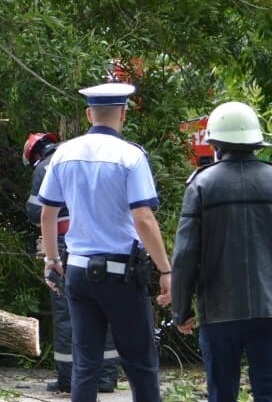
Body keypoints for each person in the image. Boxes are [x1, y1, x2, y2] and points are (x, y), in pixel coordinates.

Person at [38, 83, 172, 402]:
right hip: (120, 274)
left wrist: (53, 260)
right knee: (140, 361)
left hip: (79, 273)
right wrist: (165, 270)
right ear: (123, 114)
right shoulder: (130, 157)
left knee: (85, 363)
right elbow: (143, 217)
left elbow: (48, 214)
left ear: (89, 114)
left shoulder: (63, 154)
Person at [170, 101, 272, 402]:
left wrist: (181, 310)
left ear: (215, 143)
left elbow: (185, 257)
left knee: (222, 395)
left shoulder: (201, 186)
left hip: (219, 314)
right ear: (256, 142)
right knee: (271, 394)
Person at [23, 132, 120, 393]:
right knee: (105, 309)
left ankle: (67, 378)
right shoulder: (87, 160)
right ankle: (107, 377)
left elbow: (36, 212)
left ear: (35, 155)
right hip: (101, 244)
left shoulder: (46, 167)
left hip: (66, 245)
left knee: (66, 311)